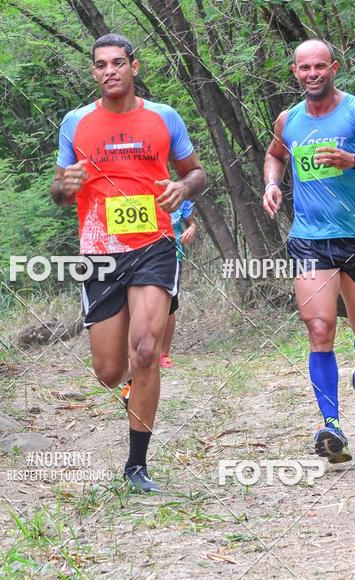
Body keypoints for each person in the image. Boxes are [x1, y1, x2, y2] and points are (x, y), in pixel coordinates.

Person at [51, 34, 206, 492]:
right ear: (94, 72)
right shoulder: (75, 122)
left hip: (154, 244)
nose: (109, 71)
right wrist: (68, 184)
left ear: (134, 67)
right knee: (109, 371)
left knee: (145, 349)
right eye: (101, 65)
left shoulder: (164, 117)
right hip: (99, 251)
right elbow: (59, 193)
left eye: (118, 63)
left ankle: (136, 466)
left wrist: (184, 188)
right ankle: (131, 390)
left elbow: (195, 171)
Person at [262, 39, 355, 463]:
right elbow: (274, 155)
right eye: (304, 68)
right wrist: (272, 184)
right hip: (310, 237)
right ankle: (332, 425)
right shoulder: (287, 119)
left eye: (320, 67)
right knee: (321, 327)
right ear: (295, 72)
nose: (313, 74)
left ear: (334, 68)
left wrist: (353, 159)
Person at [160, 200, 197, 368]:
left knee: (168, 304)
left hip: (173, 257)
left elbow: (192, 223)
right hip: (143, 257)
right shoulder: (140, 193)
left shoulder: (179, 198)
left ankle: (163, 354)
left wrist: (191, 229)